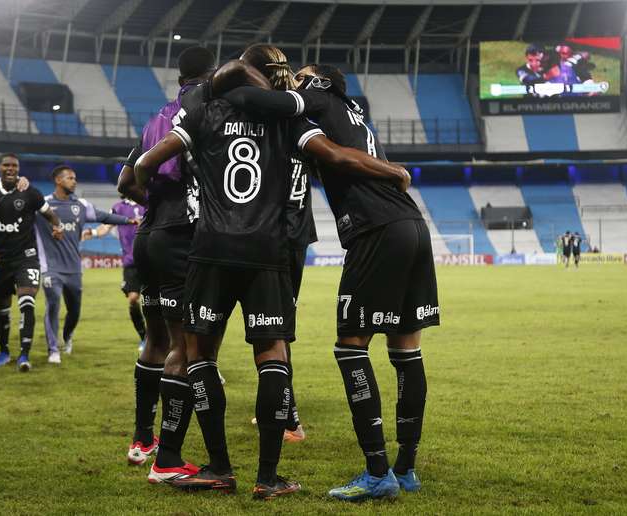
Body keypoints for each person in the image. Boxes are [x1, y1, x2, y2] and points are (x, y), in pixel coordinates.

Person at [135, 44, 410, 499]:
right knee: (273, 356)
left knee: (201, 355)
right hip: (268, 253)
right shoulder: (290, 120)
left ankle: (220, 467)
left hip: (209, 250)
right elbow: (337, 156)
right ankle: (268, 477)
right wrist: (391, 169)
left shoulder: (205, 110)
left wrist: (151, 199)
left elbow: (146, 163)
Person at [218, 56, 434, 500]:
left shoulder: (315, 97)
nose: (291, 83)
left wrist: (229, 84)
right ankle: (405, 467)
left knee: (350, 347)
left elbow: (260, 100)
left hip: (375, 229)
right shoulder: (354, 114)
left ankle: (377, 473)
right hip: (412, 226)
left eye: (298, 77)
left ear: (316, 81)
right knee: (406, 347)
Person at [116, 46, 219, 483]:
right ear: (212, 73)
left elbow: (126, 181)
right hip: (183, 236)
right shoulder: (209, 111)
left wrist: (155, 201)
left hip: (149, 236)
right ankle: (168, 460)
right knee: (188, 347)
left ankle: (143, 440)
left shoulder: (156, 117)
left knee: (156, 340)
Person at [35, 164, 136, 364]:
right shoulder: (42, 205)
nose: (74, 181)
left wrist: (129, 220)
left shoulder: (80, 205)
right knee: (53, 303)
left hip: (74, 268)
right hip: (51, 267)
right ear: (58, 180)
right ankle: (53, 349)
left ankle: (67, 336)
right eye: (70, 178)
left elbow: (104, 217)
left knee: (75, 310)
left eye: (74, 178)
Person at [0, 153, 63, 372]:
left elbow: (50, 214)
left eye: (14, 166)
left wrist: (58, 226)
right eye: (6, 165)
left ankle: (24, 355)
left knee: (27, 303)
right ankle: (4, 351)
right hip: (1, 260)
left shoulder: (30, 192)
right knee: (3, 309)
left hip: (27, 258)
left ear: (18, 169)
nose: (10, 169)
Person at [86, 196, 147, 352]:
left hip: (151, 259)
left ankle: (161, 337)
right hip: (131, 262)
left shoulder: (148, 202)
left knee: (156, 301)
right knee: (133, 299)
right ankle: (144, 337)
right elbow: (106, 227)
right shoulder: (118, 207)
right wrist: (92, 232)